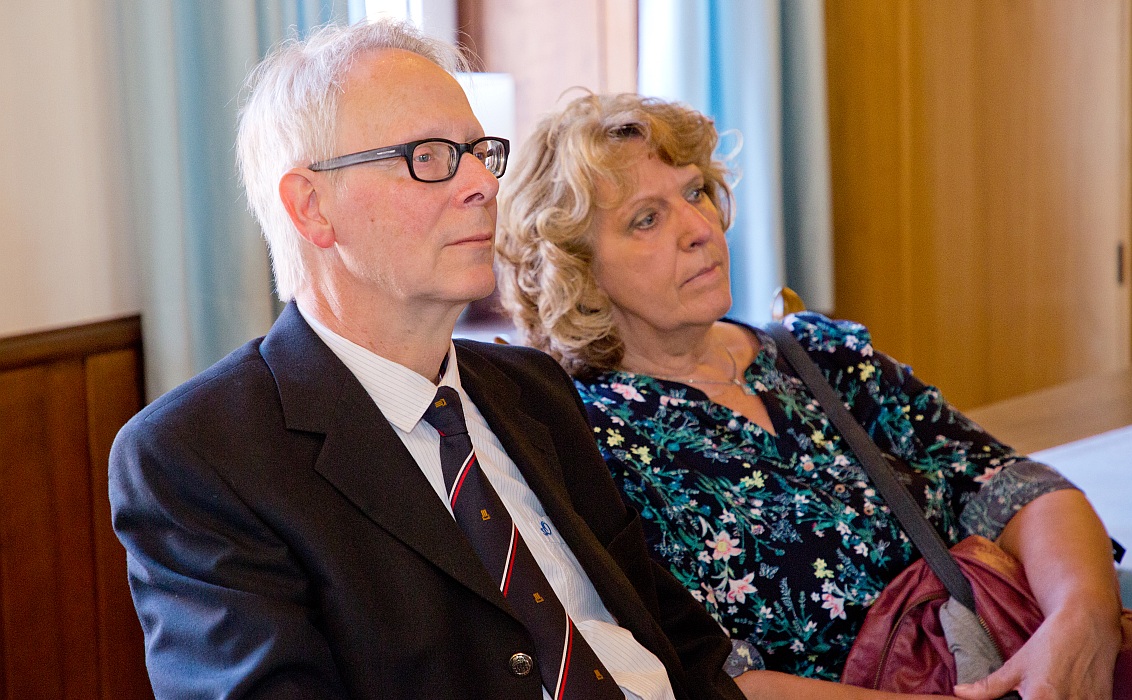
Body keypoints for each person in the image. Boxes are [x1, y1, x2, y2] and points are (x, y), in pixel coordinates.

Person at [108, 22, 750, 700]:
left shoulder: (533, 389)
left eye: (478, 151)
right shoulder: (200, 455)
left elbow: (682, 643)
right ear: (312, 207)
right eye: (430, 155)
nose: (480, 182)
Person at [495, 91, 1125, 700]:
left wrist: (1081, 621)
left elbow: (1011, 484)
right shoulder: (589, 443)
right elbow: (714, 683)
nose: (697, 228)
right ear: (576, 272)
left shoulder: (816, 354)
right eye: (646, 219)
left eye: (694, 192)